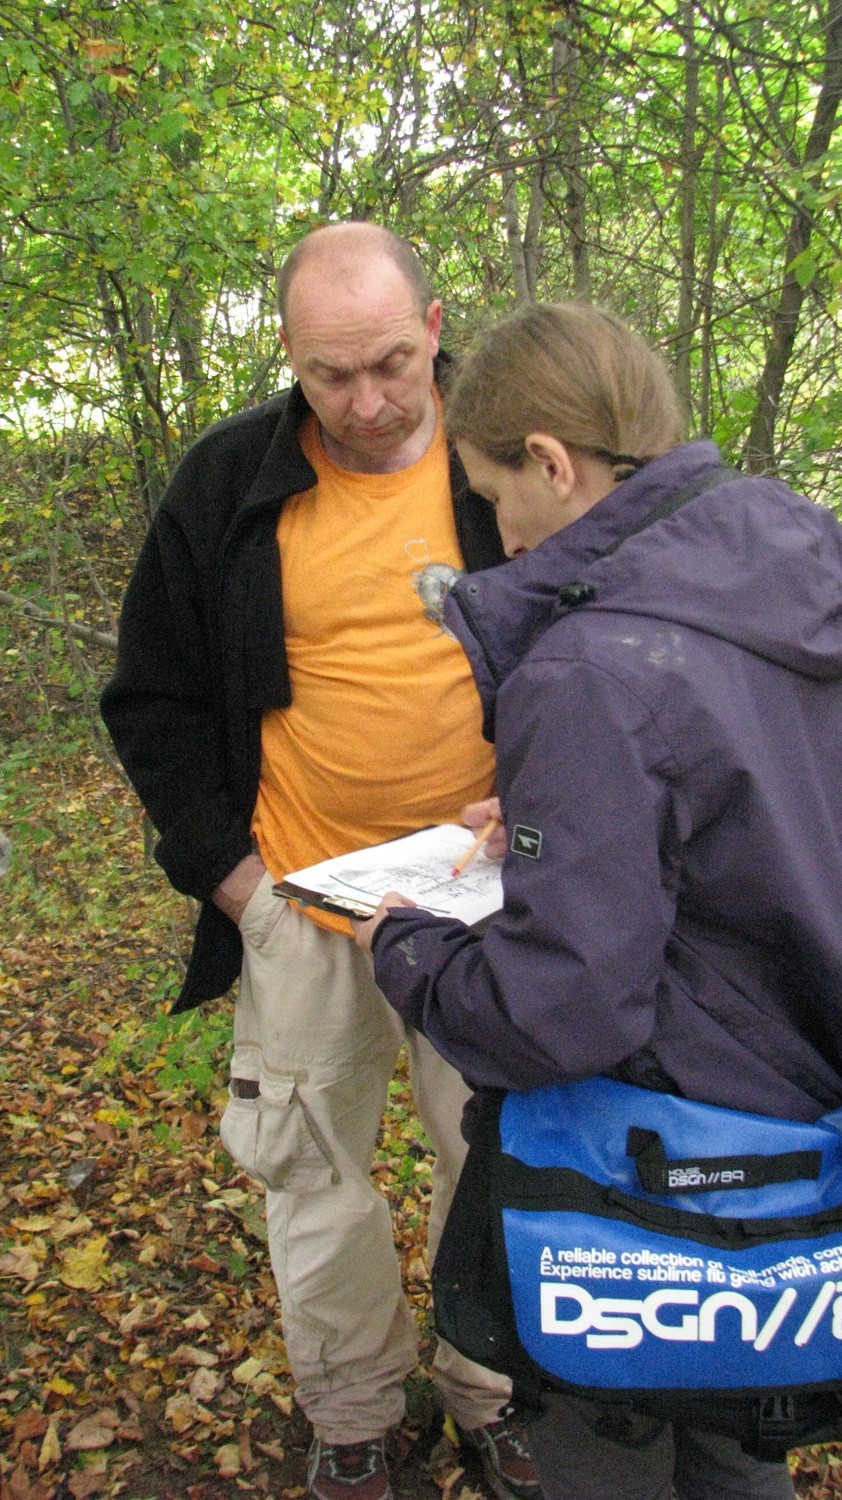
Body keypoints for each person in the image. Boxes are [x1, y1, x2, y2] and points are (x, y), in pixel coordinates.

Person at [353, 300, 842, 1500]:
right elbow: (747, 814)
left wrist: (404, 948)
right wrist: (560, 826)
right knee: (740, 1440)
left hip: (647, 1170)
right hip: (800, 1132)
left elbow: (559, 1006)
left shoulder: (589, 664)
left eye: (491, 493)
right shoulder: (799, 572)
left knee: (605, 1452)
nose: (499, 534)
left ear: (553, 464)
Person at [100, 223, 545, 1500]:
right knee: (309, 1176)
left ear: (437, 324)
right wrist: (235, 885)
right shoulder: (229, 484)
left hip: (487, 903)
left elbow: (606, 648)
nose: (362, 402)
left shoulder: (512, 458)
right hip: (300, 898)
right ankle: (354, 1414)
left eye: (391, 365)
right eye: (327, 374)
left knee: (496, 1160)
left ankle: (489, 1394)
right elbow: (152, 700)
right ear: (289, 356)